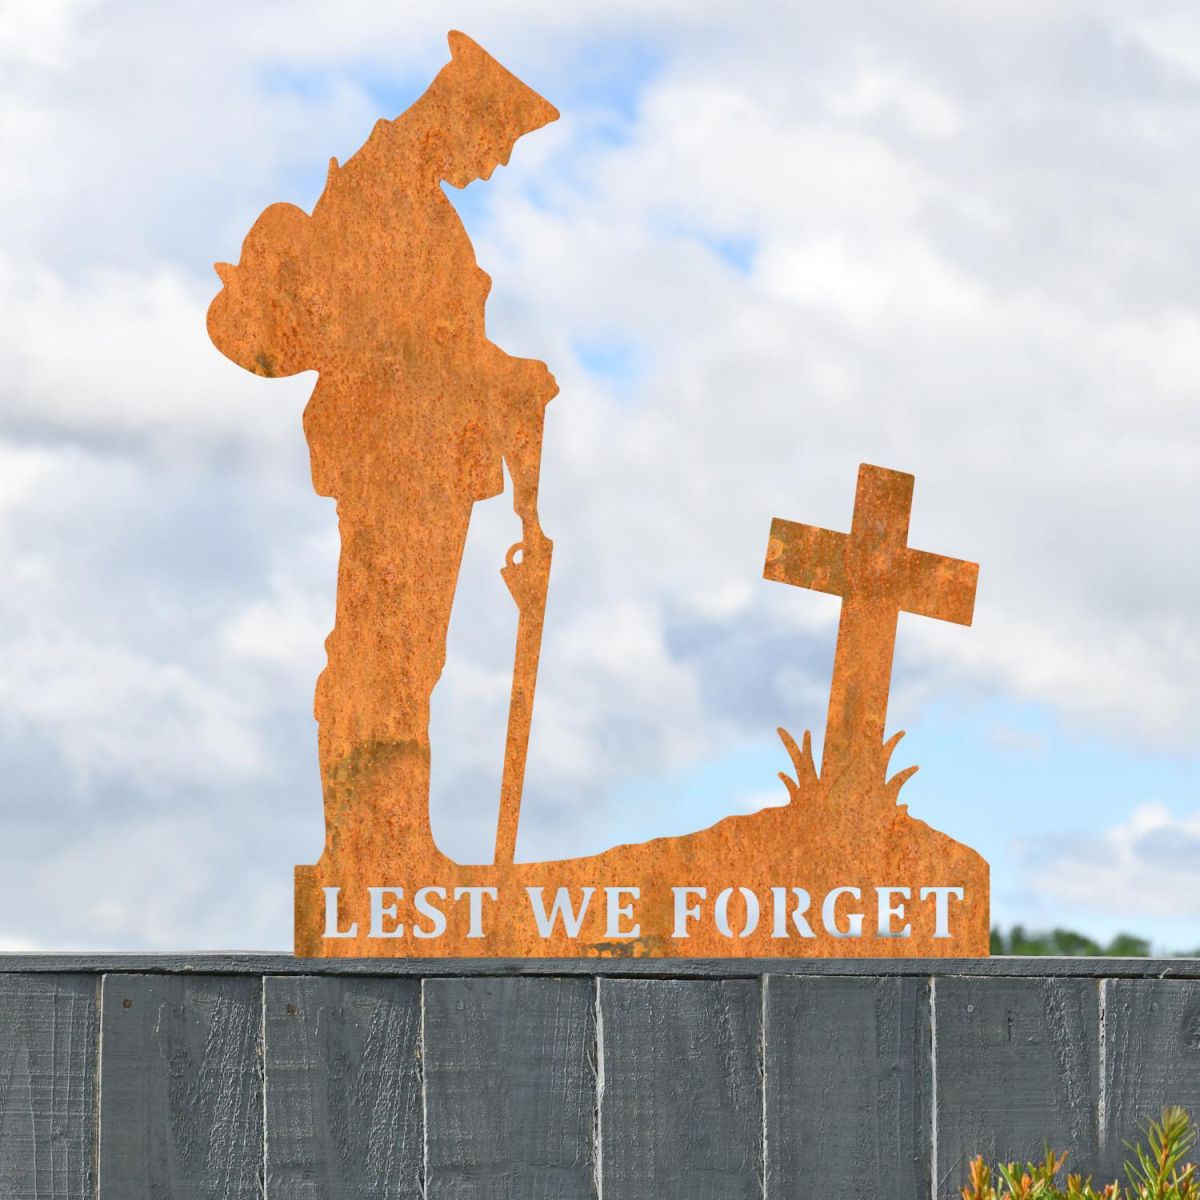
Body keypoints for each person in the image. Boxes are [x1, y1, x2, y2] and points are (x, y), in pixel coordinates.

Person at [207, 31, 560, 863]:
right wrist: (506, 374)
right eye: (500, 140)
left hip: (427, 461)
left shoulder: (414, 203)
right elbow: (407, 347)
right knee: (383, 653)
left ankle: (388, 846)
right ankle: (371, 854)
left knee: (406, 656)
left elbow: (430, 346)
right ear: (462, 116)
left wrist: (511, 415)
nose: (499, 162)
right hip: (396, 464)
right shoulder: (386, 197)